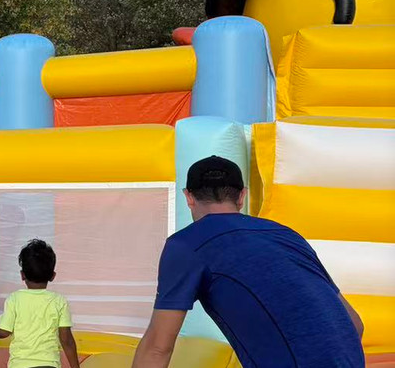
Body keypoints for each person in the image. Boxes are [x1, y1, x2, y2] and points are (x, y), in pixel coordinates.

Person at [132, 156, 364, 367]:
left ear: (189, 197)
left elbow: (157, 348)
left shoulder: (187, 244)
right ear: (242, 196)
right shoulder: (285, 235)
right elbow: (354, 323)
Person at [0, 239, 81, 368]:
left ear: (22, 275)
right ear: (53, 276)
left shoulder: (15, 299)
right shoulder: (59, 301)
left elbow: (4, 332)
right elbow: (66, 340)